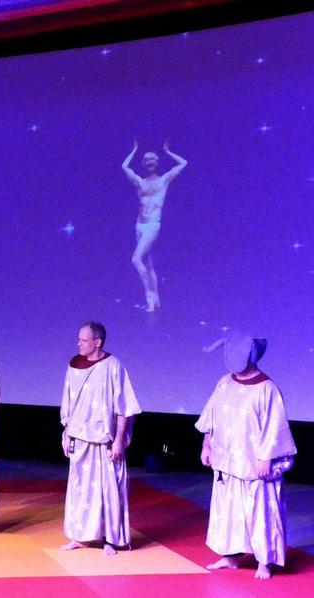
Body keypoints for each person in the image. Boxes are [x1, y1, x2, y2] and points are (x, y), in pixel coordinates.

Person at [196, 330, 297, 579]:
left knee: (260, 512)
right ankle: (230, 556)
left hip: (254, 463)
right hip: (226, 460)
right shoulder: (224, 382)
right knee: (229, 512)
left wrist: (266, 457)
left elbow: (275, 425)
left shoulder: (267, 389)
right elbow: (211, 416)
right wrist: (207, 444)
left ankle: (265, 560)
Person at [60, 322, 141, 555]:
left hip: (104, 440)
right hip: (79, 438)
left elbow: (123, 407)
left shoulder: (113, 366)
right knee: (80, 490)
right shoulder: (73, 365)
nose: (78, 343)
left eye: (83, 340)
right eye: (79, 339)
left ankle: (110, 539)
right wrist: (66, 433)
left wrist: (118, 441)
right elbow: (68, 402)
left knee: (108, 491)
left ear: (97, 342)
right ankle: (80, 536)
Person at [121, 140, 187, 312]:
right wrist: (134, 149)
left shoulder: (164, 180)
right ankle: (157, 299)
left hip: (153, 226)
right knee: (148, 264)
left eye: (152, 160)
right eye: (147, 160)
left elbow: (183, 163)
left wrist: (168, 152)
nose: (150, 162)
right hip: (140, 225)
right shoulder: (140, 182)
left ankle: (149, 298)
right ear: (143, 164)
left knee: (136, 259)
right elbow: (124, 167)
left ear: (157, 163)